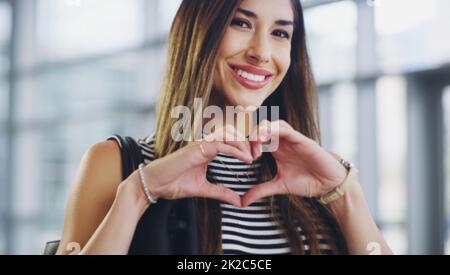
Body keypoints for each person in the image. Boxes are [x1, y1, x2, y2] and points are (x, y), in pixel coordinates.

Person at [56, 0, 392, 255]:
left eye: (279, 33)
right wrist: (137, 194)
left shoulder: (319, 173)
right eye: (241, 23)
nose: (261, 52)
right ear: (200, 32)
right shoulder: (116, 164)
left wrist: (345, 196)